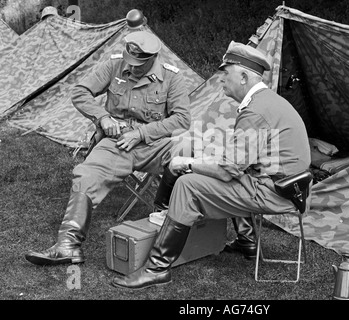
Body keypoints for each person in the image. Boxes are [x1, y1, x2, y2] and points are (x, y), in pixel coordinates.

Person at [111, 41, 311, 290]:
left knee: (188, 184)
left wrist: (187, 163)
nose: (221, 80)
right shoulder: (266, 101)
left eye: (225, 74)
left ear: (244, 77)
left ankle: (157, 269)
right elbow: (241, 161)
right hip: (287, 186)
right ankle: (246, 241)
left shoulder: (255, 111)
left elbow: (228, 171)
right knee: (216, 167)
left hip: (274, 193)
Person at [24, 30, 191, 266]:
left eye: (138, 65)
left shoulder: (172, 77)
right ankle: (68, 245)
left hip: (154, 143)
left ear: (152, 59)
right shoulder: (114, 64)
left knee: (186, 151)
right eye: (129, 62)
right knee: (87, 174)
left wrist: (142, 133)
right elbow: (80, 92)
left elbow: (182, 119)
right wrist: (102, 117)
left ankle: (164, 216)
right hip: (117, 142)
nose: (131, 68)